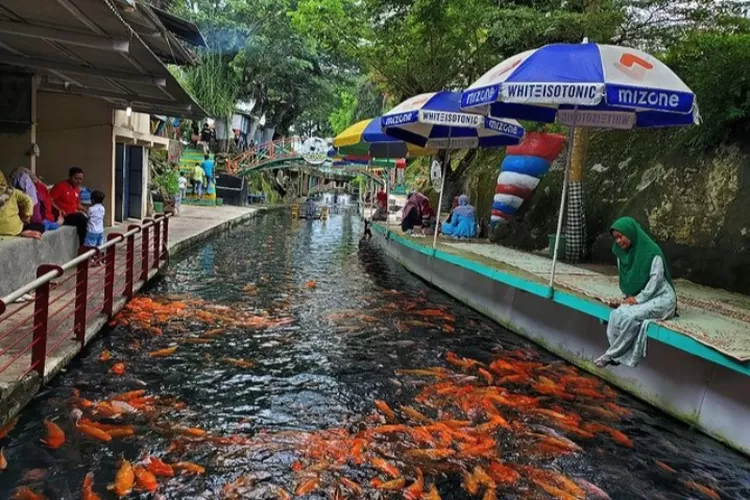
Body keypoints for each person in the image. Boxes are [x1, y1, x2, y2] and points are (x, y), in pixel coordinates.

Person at [594, 217, 677, 368]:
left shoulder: (652, 252)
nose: (619, 241)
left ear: (630, 233)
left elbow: (656, 280)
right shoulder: (622, 253)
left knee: (631, 316)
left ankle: (610, 355)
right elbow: (627, 278)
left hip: (661, 297)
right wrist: (629, 299)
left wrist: (638, 299)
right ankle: (617, 356)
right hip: (641, 297)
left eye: (621, 236)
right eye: (616, 238)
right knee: (616, 314)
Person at [50, 167, 87, 245]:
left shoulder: (77, 189)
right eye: (76, 178)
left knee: (88, 220)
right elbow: (50, 199)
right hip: (64, 216)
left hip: (74, 214)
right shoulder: (60, 186)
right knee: (82, 220)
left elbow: (78, 204)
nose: (78, 181)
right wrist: (59, 209)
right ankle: (83, 246)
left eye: (80, 179)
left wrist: (87, 211)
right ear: (70, 176)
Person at [0, 171, 42, 239]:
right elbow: (29, 201)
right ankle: (23, 232)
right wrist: (27, 217)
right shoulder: (13, 191)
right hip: (13, 229)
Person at [84, 190, 106, 265]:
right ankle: (99, 260)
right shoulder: (103, 208)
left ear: (92, 200)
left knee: (90, 247)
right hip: (100, 230)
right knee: (99, 246)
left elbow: (88, 216)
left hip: (91, 231)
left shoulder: (91, 209)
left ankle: (90, 261)